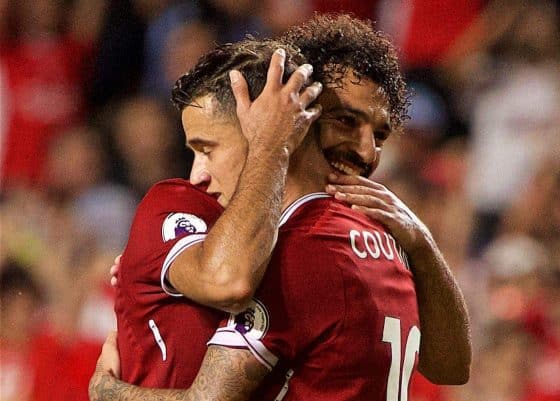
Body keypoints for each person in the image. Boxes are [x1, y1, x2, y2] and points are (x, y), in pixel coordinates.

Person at [89, 14, 471, 400]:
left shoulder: (297, 248)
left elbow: (208, 388)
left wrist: (110, 393)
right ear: (295, 109)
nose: (367, 151)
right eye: (346, 121)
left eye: (380, 135)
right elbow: (451, 367)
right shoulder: (380, 238)